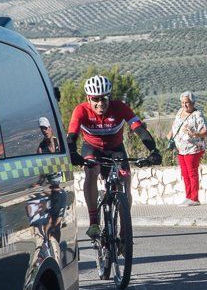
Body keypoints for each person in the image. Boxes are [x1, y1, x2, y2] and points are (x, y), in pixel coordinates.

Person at [67, 74, 162, 238]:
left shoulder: (120, 107)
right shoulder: (81, 110)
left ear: (109, 97)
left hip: (115, 148)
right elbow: (71, 136)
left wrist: (153, 150)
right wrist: (73, 153)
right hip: (92, 148)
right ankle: (94, 221)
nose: (100, 103)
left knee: (125, 180)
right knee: (91, 171)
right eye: (95, 99)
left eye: (104, 99)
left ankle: (125, 225)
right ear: (88, 98)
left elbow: (139, 129)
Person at [168, 91, 207, 206]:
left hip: (193, 148)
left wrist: (195, 134)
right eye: (182, 103)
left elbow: (206, 131)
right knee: (185, 174)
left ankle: (194, 198)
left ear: (193, 102)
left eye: (187, 103)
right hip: (181, 149)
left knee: (192, 173)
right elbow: (176, 124)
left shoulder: (197, 115)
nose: (184, 105)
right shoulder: (180, 112)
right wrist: (170, 133)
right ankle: (188, 196)